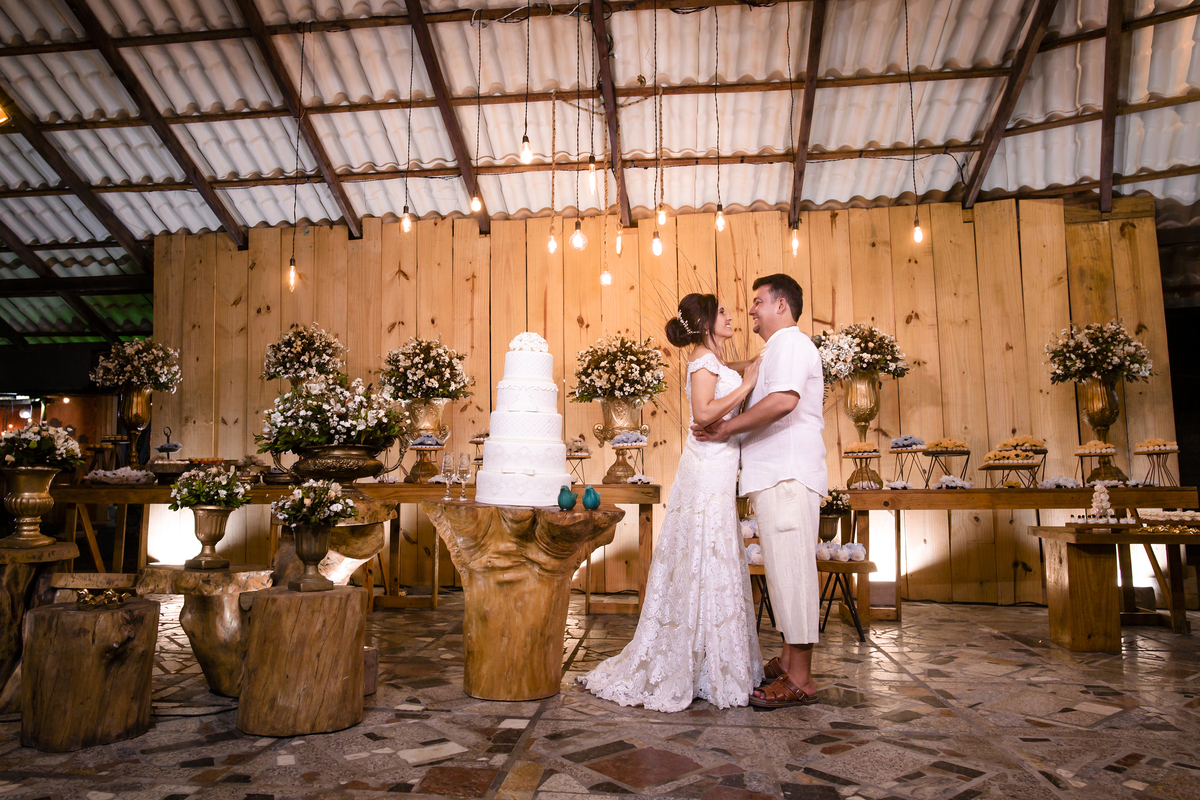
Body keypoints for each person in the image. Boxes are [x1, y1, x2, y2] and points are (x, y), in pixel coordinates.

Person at [579, 293, 764, 712]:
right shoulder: (702, 361)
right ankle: (695, 661)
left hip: (718, 463)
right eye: (721, 312)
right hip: (708, 466)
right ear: (705, 324)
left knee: (713, 547)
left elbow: (722, 371)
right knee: (704, 546)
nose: (730, 316)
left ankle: (709, 659)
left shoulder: (712, 360)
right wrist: (748, 384)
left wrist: (749, 365)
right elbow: (703, 412)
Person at [693, 274, 827, 708]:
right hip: (774, 475)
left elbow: (784, 400)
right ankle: (788, 661)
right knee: (782, 572)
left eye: (758, 301)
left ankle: (801, 678)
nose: (750, 310)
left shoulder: (792, 344)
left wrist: (725, 428)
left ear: (781, 305)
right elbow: (743, 372)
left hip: (787, 473)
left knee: (793, 573)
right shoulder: (774, 350)